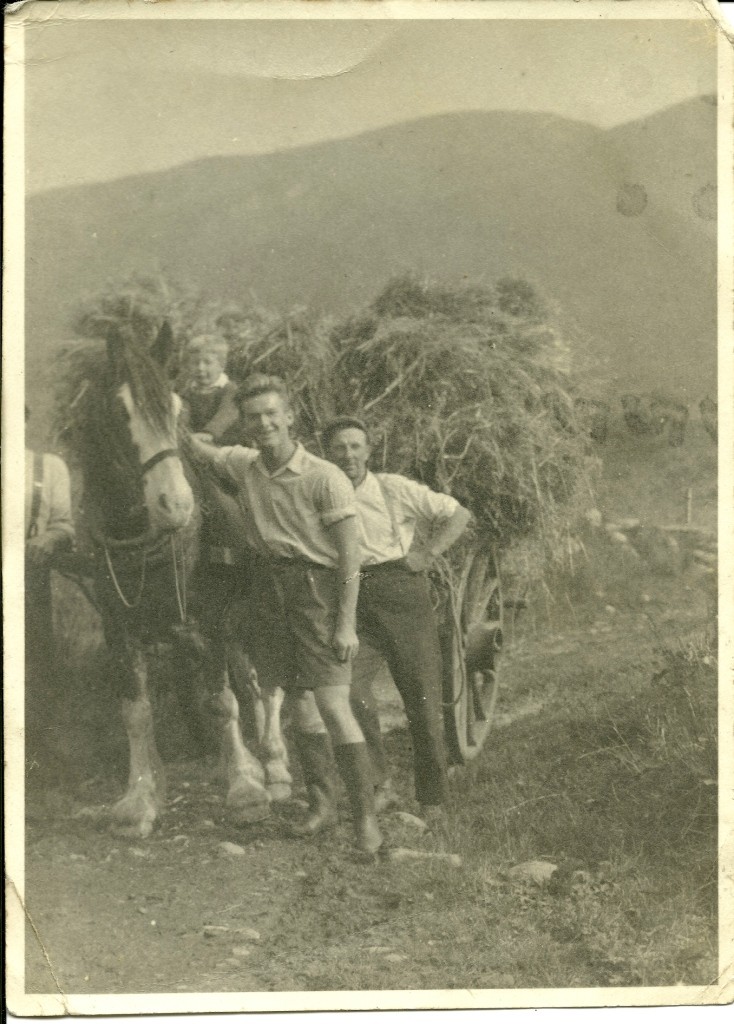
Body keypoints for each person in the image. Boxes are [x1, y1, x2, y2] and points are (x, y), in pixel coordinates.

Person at [189, 375, 382, 854]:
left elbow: (350, 560)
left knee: (334, 706)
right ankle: (321, 807)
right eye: (253, 417)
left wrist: (345, 623)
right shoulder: (246, 465)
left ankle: (366, 822)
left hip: (318, 592)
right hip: (269, 592)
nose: (264, 424)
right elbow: (195, 448)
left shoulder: (324, 476)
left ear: (291, 416)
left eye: (273, 414)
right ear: (245, 424)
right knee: (298, 703)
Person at [322, 416, 471, 823]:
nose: (349, 455)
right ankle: (378, 783)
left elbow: (457, 513)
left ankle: (433, 800)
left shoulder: (393, 488)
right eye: (339, 448)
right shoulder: (322, 492)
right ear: (327, 455)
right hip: (351, 597)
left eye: (355, 446)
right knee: (349, 692)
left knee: (422, 699)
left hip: (402, 593)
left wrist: (428, 553)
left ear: (369, 450)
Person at [180, 334, 240, 445]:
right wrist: (183, 433)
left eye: (207, 363)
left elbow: (226, 413)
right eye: (195, 363)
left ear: (221, 366)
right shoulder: (188, 392)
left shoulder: (229, 389)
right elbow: (183, 416)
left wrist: (209, 432)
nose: (200, 368)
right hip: (195, 442)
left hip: (223, 442)